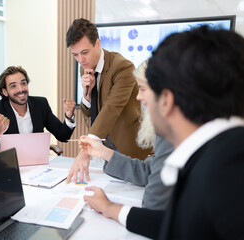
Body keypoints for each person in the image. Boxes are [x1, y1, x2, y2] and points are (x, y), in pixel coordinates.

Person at [84, 25, 244, 239]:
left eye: (142, 91)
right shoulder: (222, 152)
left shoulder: (221, 172)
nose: (139, 99)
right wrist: (111, 208)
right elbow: (179, 225)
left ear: (166, 100)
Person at [79, 60, 174, 210]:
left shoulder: (174, 132)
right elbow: (149, 171)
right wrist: (104, 152)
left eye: (142, 89)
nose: (138, 97)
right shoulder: (168, 127)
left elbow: (152, 207)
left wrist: (109, 208)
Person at [66, 18, 151, 183]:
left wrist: (85, 150)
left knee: (129, 190)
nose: (81, 60)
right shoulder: (85, 68)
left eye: (84, 52)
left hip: (126, 143)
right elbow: (89, 111)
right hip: (103, 142)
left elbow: (112, 108)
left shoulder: (123, 67)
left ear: (97, 43)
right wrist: (86, 96)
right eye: (75, 55)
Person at [0, 66, 76, 157]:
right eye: (13, 86)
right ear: (5, 92)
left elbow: (63, 136)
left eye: (23, 83)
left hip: (38, 163)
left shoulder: (40, 104)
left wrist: (69, 116)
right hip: (10, 165)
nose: (21, 89)